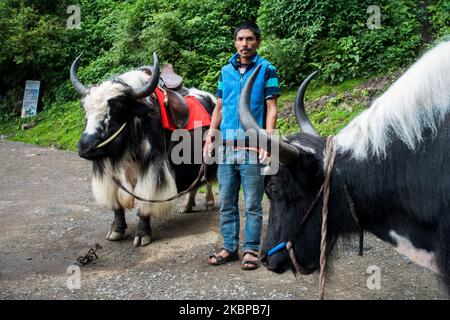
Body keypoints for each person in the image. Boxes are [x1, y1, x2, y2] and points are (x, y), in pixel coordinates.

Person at [203, 21, 280, 270]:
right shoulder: (225, 71)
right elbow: (220, 106)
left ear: (257, 41)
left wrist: (267, 140)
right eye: (240, 39)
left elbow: (272, 109)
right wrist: (211, 135)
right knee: (226, 201)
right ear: (235, 42)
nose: (244, 44)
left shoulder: (267, 69)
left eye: (249, 39)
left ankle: (250, 250)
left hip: (252, 148)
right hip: (226, 148)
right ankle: (229, 247)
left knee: (253, 204)